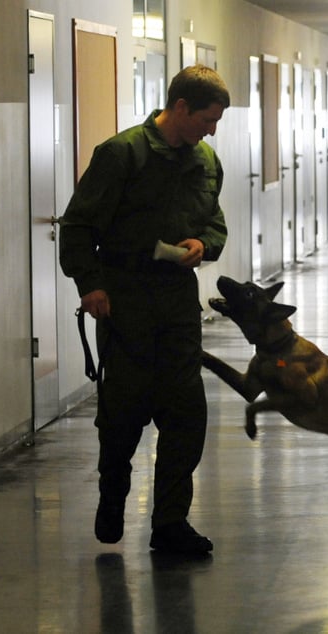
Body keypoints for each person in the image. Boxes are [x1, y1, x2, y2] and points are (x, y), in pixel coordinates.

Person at [59, 65, 230, 555]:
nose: (211, 131)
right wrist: (90, 285)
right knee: (122, 414)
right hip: (125, 297)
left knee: (186, 414)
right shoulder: (122, 154)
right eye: (206, 119)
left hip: (176, 299)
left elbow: (215, 223)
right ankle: (113, 498)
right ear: (180, 107)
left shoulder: (205, 161)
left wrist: (204, 243)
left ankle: (170, 523)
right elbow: (78, 226)